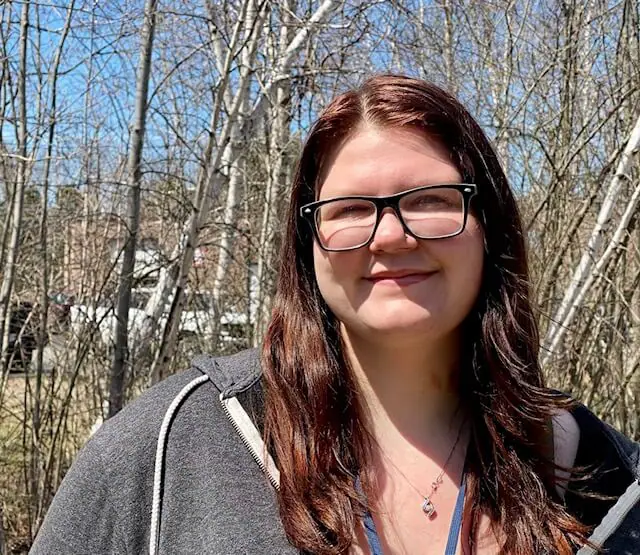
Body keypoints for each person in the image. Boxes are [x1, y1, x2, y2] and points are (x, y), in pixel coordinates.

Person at [31, 75, 639, 555]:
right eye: (350, 209)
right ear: (308, 248)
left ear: (490, 230)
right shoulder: (171, 447)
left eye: (429, 200)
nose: (391, 236)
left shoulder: (612, 481)